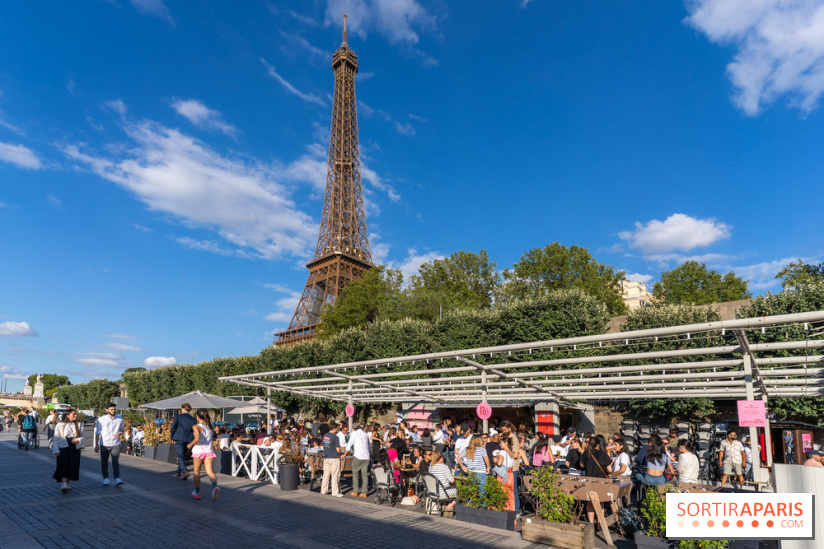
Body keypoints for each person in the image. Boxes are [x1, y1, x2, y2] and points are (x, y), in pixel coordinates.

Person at [187, 410, 219, 501]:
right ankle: (214, 487)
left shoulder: (196, 426)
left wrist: (190, 444)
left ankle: (197, 492)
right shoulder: (210, 426)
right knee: (209, 471)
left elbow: (197, 438)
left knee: (197, 472)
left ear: (197, 416)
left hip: (198, 451)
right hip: (209, 450)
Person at [53, 408, 84, 492]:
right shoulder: (60, 425)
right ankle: (63, 483)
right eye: (73, 414)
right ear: (67, 415)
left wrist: (79, 440)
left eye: (75, 414)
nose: (76, 415)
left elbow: (82, 436)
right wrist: (55, 449)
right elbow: (56, 437)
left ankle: (68, 482)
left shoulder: (79, 424)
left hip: (74, 446)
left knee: (72, 464)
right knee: (63, 464)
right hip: (63, 446)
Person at [94, 402, 124, 486]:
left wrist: (119, 433)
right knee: (104, 462)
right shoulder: (101, 419)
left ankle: (117, 478)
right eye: (111, 409)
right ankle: (105, 478)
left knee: (115, 461)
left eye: (114, 409)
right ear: (107, 410)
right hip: (104, 443)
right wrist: (96, 445)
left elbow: (122, 429)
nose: (113, 411)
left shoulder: (119, 419)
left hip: (116, 443)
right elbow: (97, 433)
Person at [458, 435, 490, 500]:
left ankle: (471, 507)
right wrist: (488, 467)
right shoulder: (482, 449)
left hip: (471, 473)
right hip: (481, 472)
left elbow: (458, 457)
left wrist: (463, 466)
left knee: (472, 493)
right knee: (483, 493)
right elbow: (486, 458)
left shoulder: (467, 449)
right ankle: (482, 508)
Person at [170, 403, 197, 480]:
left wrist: (172, 437)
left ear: (184, 409)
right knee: (183, 455)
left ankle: (185, 471)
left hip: (179, 437)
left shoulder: (178, 417)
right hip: (188, 439)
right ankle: (178, 471)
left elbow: (173, 427)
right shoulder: (193, 419)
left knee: (180, 455)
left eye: (182, 409)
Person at [346, 423, 371, 498]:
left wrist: (345, 453)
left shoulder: (354, 433)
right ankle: (364, 492)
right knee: (364, 474)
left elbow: (349, 443)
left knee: (355, 473)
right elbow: (369, 447)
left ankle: (355, 491)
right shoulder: (365, 434)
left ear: (354, 428)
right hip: (366, 457)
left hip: (358, 456)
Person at [321, 421, 344, 497]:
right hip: (334, 457)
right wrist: (341, 454)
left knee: (326, 475)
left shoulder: (325, 436)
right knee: (335, 476)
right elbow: (338, 449)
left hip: (326, 457)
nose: (337, 430)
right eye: (337, 428)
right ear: (334, 428)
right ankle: (335, 492)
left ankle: (323, 491)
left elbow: (324, 446)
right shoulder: (335, 437)